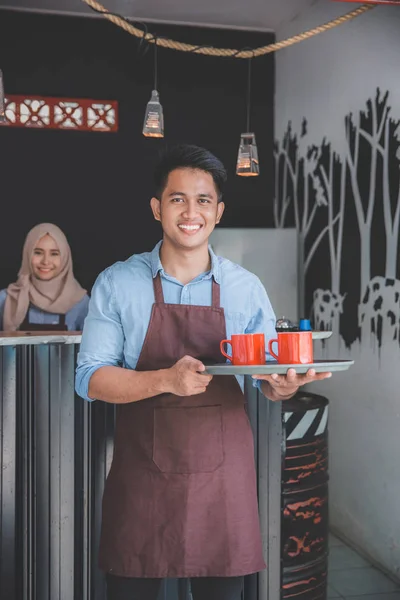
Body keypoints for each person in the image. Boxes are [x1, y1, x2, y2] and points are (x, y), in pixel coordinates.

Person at [75, 144, 332, 600]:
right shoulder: (118, 283)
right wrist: (165, 380)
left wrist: (284, 387)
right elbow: (90, 379)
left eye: (203, 200)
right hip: (142, 479)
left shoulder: (245, 289)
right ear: (157, 208)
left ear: (218, 212)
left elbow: (267, 379)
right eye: (177, 199)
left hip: (222, 482)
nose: (190, 212)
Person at [0, 223, 89, 332]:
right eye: (38, 252)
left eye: (54, 254)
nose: (46, 261)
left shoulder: (81, 302)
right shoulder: (7, 299)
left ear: (65, 257)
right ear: (27, 254)